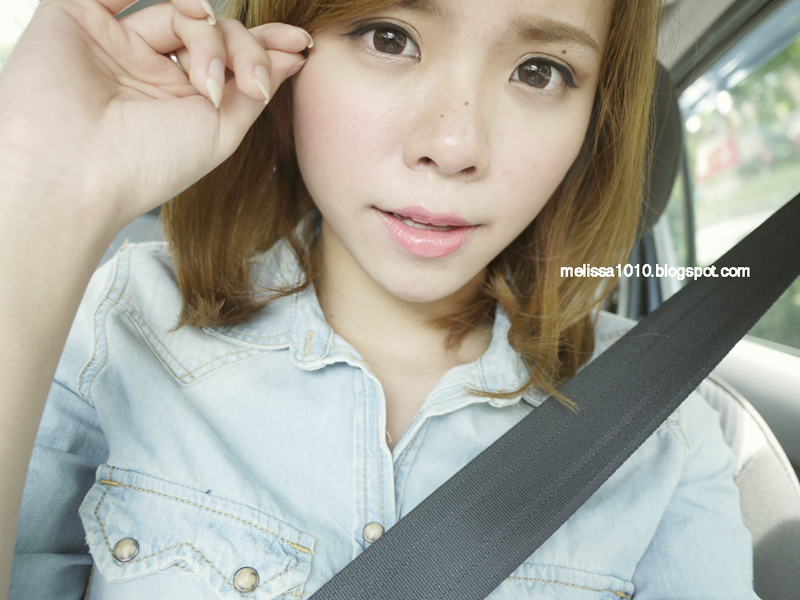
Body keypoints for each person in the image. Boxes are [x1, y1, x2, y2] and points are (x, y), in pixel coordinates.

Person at [0, 0, 759, 597]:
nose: (454, 147)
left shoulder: (663, 426)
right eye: (389, 38)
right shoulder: (119, 322)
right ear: (285, 48)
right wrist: (42, 181)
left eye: (539, 71)